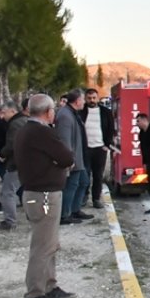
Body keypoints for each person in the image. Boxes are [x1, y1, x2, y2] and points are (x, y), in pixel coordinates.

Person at [13, 93, 77, 298]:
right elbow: (67, 157)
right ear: (49, 112)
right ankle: (35, 293)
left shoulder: (25, 130)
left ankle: (49, 285)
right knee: (42, 246)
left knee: (50, 244)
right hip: (43, 196)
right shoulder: (41, 132)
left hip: (37, 194)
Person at [55, 90, 92, 225]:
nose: (84, 102)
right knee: (71, 186)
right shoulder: (65, 115)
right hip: (73, 159)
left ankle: (75, 210)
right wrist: (68, 159)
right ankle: (65, 215)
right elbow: (64, 140)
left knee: (83, 182)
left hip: (79, 157)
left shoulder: (72, 113)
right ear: (77, 101)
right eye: (83, 99)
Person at [80, 88, 116, 209]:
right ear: (85, 98)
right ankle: (84, 197)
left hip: (100, 149)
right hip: (86, 149)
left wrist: (107, 144)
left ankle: (96, 199)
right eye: (89, 98)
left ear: (97, 97)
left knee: (98, 175)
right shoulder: (81, 112)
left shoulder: (105, 112)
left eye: (94, 98)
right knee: (85, 174)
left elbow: (111, 129)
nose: (91, 100)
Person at [0, 101, 29, 231]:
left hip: (17, 163)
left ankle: (10, 222)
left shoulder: (15, 124)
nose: (2, 116)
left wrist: (2, 154)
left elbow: (12, 144)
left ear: (13, 111)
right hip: (28, 163)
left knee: (7, 193)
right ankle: (33, 217)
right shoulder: (26, 121)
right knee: (27, 192)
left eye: (4, 112)